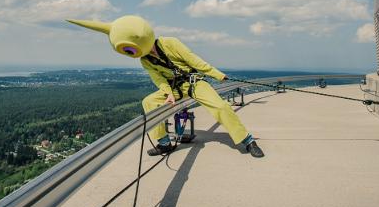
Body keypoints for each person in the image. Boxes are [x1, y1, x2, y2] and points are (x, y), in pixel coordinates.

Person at [67, 15, 264, 158]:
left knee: (220, 107)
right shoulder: (145, 60)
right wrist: (168, 94)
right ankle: (163, 143)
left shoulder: (170, 43)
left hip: (193, 83)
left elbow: (193, 61)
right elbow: (159, 79)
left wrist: (217, 74)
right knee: (149, 102)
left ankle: (247, 140)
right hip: (174, 88)